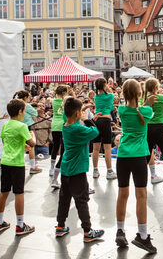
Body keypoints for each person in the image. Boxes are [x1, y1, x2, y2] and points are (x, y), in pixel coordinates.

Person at [115, 79, 158, 254]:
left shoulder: (121, 110)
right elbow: (143, 113)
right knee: (141, 196)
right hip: (139, 156)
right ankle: (142, 236)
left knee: (122, 194)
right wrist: (146, 103)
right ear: (140, 94)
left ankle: (120, 230)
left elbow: (132, 108)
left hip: (123, 156)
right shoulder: (146, 110)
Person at [55, 97, 105, 243]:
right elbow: (95, 132)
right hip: (77, 171)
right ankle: (88, 231)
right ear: (77, 114)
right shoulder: (78, 128)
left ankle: (60, 227)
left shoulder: (66, 124)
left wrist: (80, 111)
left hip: (66, 170)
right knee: (81, 200)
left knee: (64, 200)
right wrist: (88, 119)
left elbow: (68, 113)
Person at [0, 99, 36, 235]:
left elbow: (5, 140)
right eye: (24, 110)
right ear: (20, 111)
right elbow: (33, 143)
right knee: (19, 193)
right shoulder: (22, 126)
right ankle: (20, 225)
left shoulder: (6, 125)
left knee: (4, 191)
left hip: (5, 162)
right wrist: (32, 135)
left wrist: (21, 145)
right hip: (17, 164)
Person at [92, 78, 117, 180]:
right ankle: (109, 171)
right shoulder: (110, 95)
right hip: (105, 120)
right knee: (107, 148)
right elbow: (111, 108)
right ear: (104, 85)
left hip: (97, 121)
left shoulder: (96, 97)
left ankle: (95, 170)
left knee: (95, 148)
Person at [13, 90, 41, 174]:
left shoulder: (15, 104)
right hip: (27, 127)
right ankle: (32, 167)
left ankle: (17, 165)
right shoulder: (26, 105)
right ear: (25, 97)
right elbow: (35, 113)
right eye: (28, 97)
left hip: (16, 126)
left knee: (18, 145)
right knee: (31, 146)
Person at [49, 85, 68, 187]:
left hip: (54, 125)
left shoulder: (54, 100)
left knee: (55, 146)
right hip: (63, 125)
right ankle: (59, 167)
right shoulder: (65, 101)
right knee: (64, 148)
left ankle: (51, 168)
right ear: (64, 92)